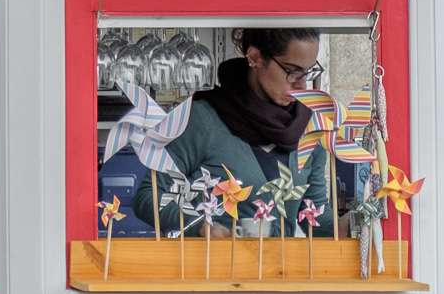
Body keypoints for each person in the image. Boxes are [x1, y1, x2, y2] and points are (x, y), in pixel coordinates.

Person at [132, 27, 331, 233]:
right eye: (292, 71)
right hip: (213, 264)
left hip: (283, 266)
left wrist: (351, 225)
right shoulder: (202, 119)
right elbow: (149, 196)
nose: (302, 84)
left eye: (307, 72)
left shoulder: (310, 127)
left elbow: (315, 215)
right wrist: (200, 227)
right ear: (255, 57)